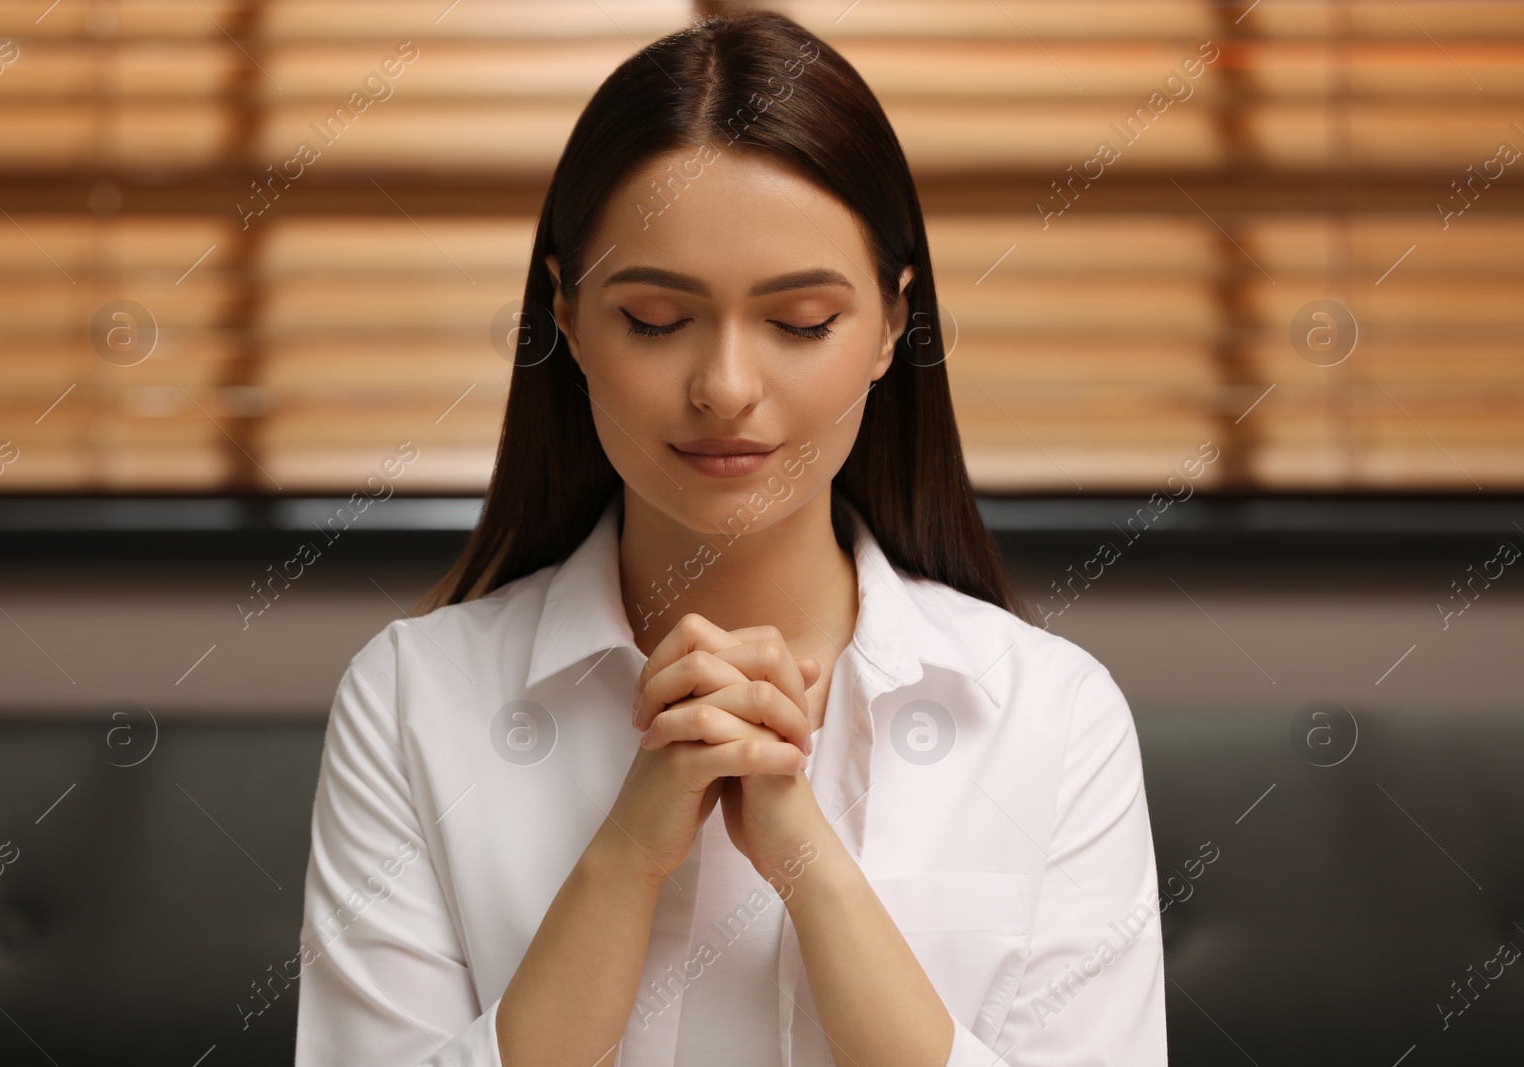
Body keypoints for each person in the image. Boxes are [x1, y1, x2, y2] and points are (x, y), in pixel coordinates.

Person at [295, 10, 1166, 1066]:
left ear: (894, 323)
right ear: (565, 316)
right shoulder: (412, 701)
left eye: (800, 322)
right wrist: (623, 858)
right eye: (656, 321)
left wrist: (807, 860)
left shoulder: (1051, 715)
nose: (725, 388)